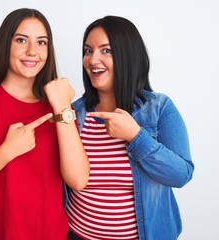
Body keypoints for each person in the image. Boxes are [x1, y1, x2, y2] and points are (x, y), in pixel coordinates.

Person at [0, 8, 89, 240]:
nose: (32, 51)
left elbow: (79, 179)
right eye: (21, 40)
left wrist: (63, 107)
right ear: (5, 44)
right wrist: (6, 152)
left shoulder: (59, 109)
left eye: (41, 43)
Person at [66, 16, 194, 240]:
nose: (93, 59)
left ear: (128, 55)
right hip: (76, 235)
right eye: (88, 51)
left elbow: (181, 175)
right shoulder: (73, 114)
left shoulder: (159, 108)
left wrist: (135, 136)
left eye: (106, 51)